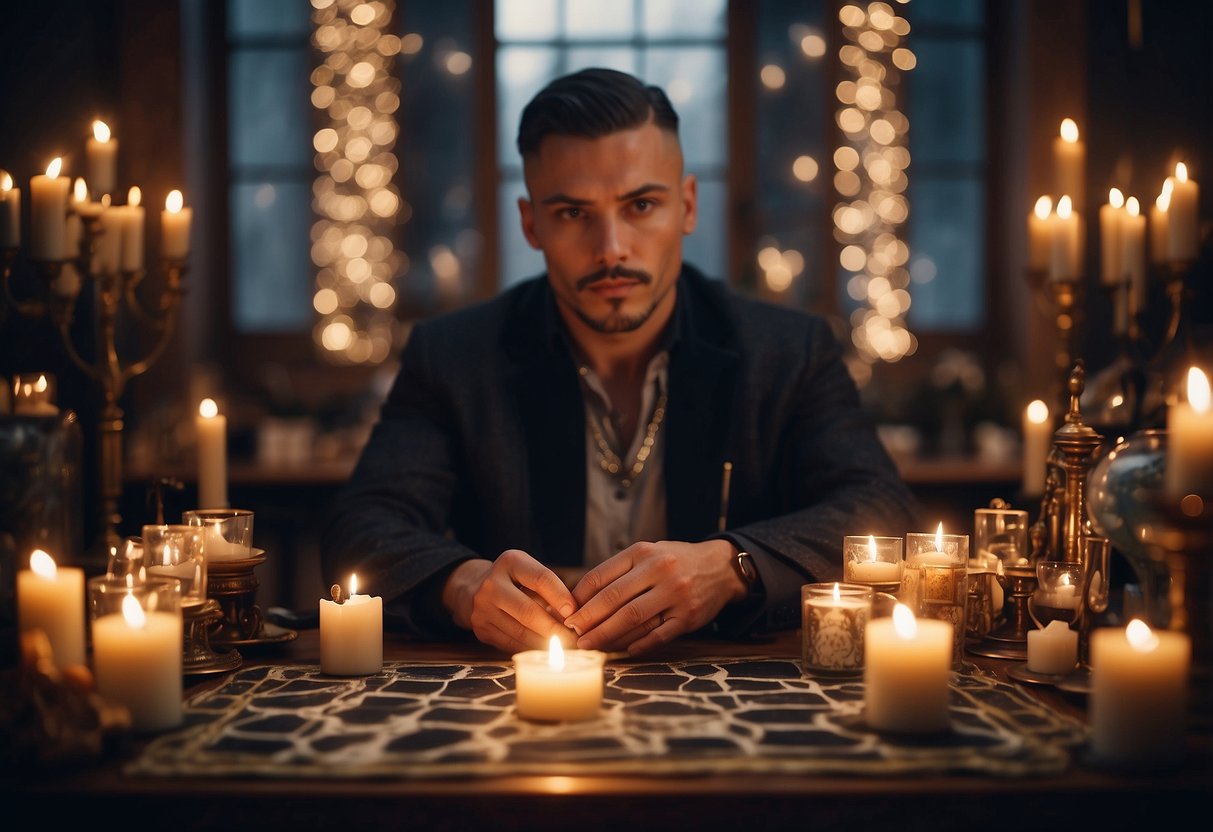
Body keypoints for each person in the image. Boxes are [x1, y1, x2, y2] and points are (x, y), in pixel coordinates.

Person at [321, 67, 919, 657]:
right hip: (509, 698)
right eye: (573, 213)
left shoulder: (787, 350)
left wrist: (730, 566)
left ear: (686, 207)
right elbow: (362, 528)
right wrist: (463, 585)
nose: (610, 249)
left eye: (640, 205)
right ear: (532, 224)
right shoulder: (454, 357)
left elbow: (880, 509)